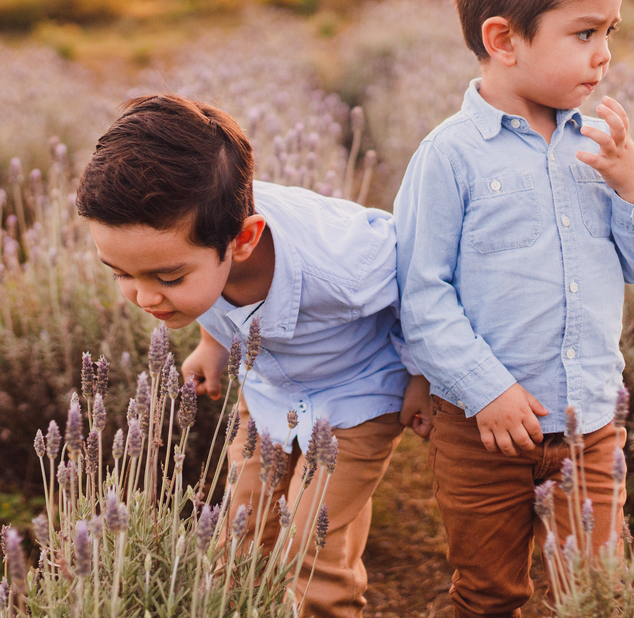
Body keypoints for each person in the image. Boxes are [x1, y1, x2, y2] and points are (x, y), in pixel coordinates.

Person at [393, 0, 634, 618]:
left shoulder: (600, 143)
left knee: (592, 593)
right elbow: (419, 294)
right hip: (482, 431)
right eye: (584, 33)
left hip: (590, 423)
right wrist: (482, 387)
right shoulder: (448, 158)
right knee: (488, 591)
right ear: (503, 39)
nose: (605, 54)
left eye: (611, 30)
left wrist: (631, 183)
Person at [75, 93, 431, 618]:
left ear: (242, 241)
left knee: (314, 551)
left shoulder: (342, 263)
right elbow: (215, 296)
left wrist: (424, 372)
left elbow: (420, 284)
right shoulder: (197, 230)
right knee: (240, 531)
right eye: (122, 274)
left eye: (168, 277)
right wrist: (211, 344)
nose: (146, 298)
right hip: (267, 392)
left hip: (358, 395)